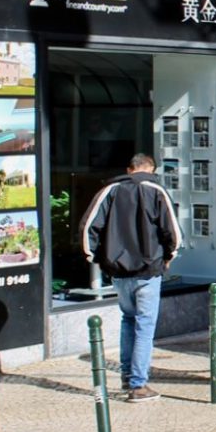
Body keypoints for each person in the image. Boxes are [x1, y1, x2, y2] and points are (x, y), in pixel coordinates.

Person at [80, 153, 182, 403]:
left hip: (118, 271)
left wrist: (96, 258)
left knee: (128, 319)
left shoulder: (110, 190)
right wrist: (169, 256)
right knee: (144, 326)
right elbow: (173, 231)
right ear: (152, 170)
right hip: (148, 271)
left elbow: (88, 227)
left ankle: (127, 376)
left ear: (129, 169)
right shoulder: (157, 191)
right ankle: (138, 385)